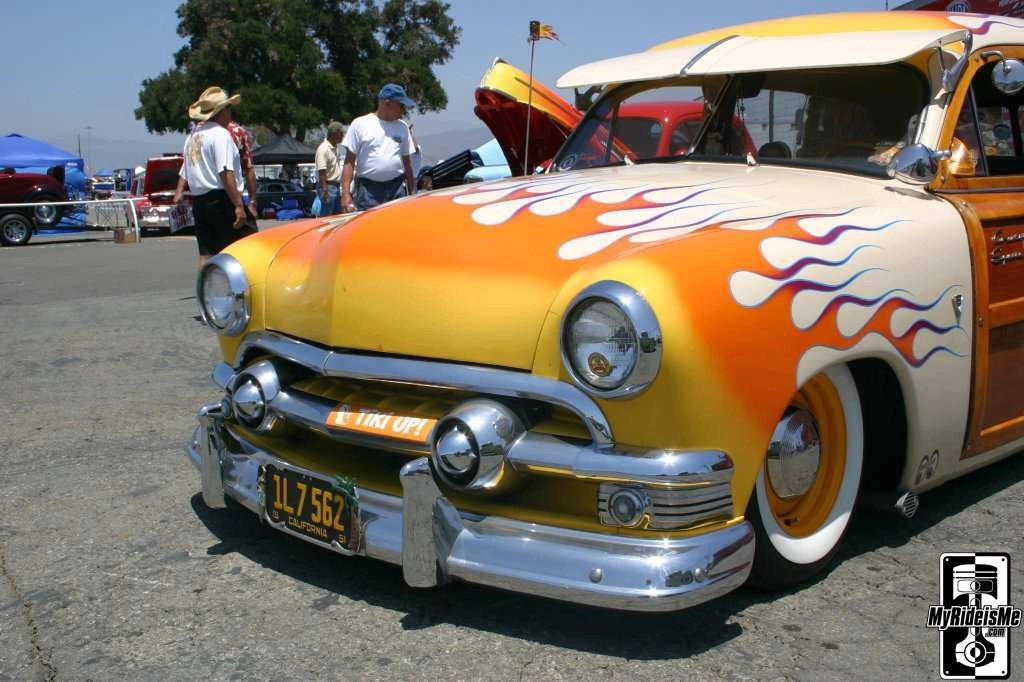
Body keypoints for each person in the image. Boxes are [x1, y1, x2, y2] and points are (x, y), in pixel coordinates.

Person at [173, 86, 254, 266]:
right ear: (222, 112)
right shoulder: (220, 134)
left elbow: (186, 168)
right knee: (243, 246)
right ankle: (239, 282)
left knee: (207, 252)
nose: (230, 114)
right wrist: (238, 205)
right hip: (221, 198)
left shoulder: (192, 137)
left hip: (200, 200)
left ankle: (206, 283)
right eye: (228, 108)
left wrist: (179, 191)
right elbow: (225, 172)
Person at [340, 83, 417, 212]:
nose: (404, 110)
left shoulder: (402, 127)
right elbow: (349, 162)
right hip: (368, 191)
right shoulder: (360, 124)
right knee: (369, 224)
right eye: (401, 105)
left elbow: (407, 162)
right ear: (387, 103)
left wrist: (413, 191)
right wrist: (345, 194)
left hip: (396, 189)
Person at [315, 121, 345, 215]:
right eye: (341, 133)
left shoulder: (335, 148)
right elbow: (321, 170)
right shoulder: (323, 149)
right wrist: (325, 189)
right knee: (327, 216)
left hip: (335, 186)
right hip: (328, 186)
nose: (343, 136)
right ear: (334, 134)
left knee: (337, 216)